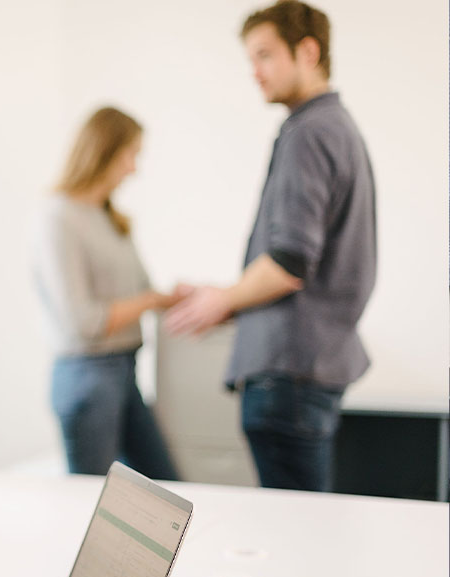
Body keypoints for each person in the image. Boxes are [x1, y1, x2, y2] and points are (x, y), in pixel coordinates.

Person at [165, 1, 376, 492]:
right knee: (305, 529)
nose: (255, 73)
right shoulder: (337, 127)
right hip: (309, 370)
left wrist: (223, 299)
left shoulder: (308, 131)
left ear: (307, 51)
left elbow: (289, 262)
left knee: (295, 539)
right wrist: (229, 295)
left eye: (264, 55)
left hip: (288, 376)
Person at [32, 107, 183, 478]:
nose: (134, 168)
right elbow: (83, 321)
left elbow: (142, 290)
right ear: (104, 152)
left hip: (124, 371)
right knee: (89, 502)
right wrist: (150, 301)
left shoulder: (109, 218)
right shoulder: (58, 218)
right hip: (88, 377)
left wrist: (175, 298)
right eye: (130, 155)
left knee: (164, 490)